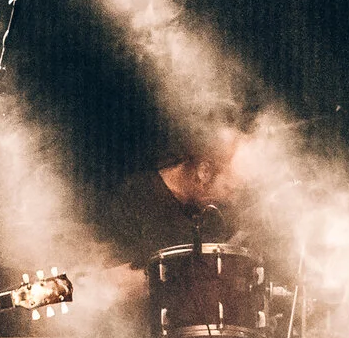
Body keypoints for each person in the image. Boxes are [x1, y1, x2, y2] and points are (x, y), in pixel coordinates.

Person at [90, 127, 245, 309]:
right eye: (228, 188)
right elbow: (109, 282)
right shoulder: (135, 198)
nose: (231, 199)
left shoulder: (205, 213)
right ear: (204, 171)